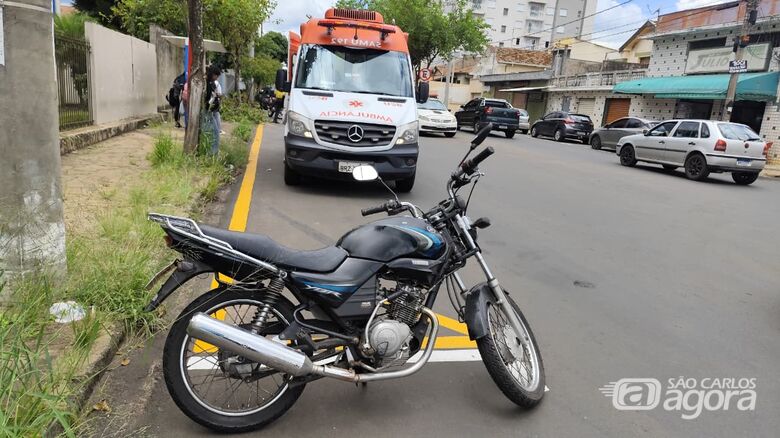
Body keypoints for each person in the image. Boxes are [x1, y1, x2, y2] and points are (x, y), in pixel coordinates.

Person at [204, 65, 223, 155]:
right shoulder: (206, 83)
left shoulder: (210, 83)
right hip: (207, 111)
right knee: (215, 133)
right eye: (216, 76)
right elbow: (207, 98)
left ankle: (213, 152)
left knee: (214, 132)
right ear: (213, 74)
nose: (216, 78)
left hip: (210, 111)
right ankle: (213, 153)